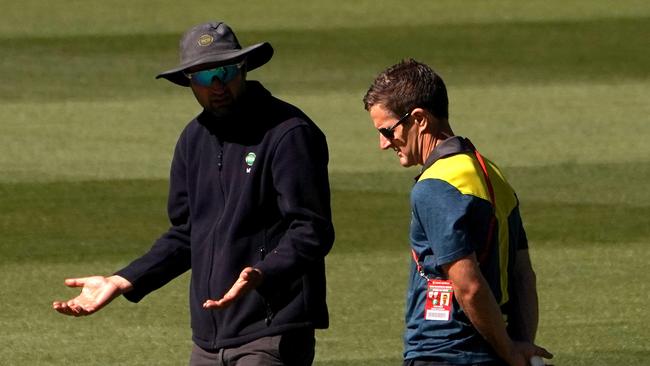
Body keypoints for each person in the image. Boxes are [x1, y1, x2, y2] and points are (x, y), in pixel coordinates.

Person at [52, 21, 335, 366]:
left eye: (225, 71)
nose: (216, 86)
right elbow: (187, 234)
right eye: (201, 77)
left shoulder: (289, 133)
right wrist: (123, 279)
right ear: (188, 81)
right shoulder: (193, 139)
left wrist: (263, 272)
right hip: (208, 340)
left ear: (243, 67)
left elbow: (311, 229)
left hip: (272, 331)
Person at [362, 59, 553, 366]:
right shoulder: (490, 175)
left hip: (443, 353)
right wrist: (518, 347)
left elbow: (469, 284)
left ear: (420, 119)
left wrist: (509, 350)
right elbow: (523, 276)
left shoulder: (435, 186)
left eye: (387, 130)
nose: (383, 144)